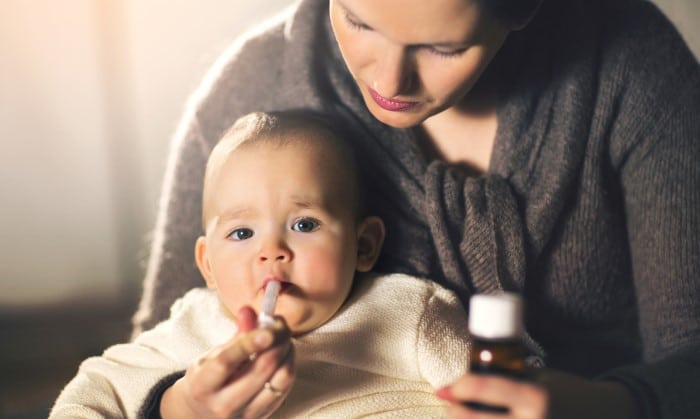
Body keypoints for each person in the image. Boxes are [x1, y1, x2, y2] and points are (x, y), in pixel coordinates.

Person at [131, 0, 700, 417]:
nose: (388, 81)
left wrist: (608, 406)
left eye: (442, 47)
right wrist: (179, 408)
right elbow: (156, 349)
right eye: (357, 20)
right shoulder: (249, 90)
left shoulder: (629, 68)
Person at [50, 110, 476, 418]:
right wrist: (178, 408)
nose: (271, 250)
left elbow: (500, 395)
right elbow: (94, 391)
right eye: (241, 233)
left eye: (304, 224)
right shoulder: (195, 323)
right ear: (209, 266)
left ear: (364, 245)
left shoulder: (408, 312)